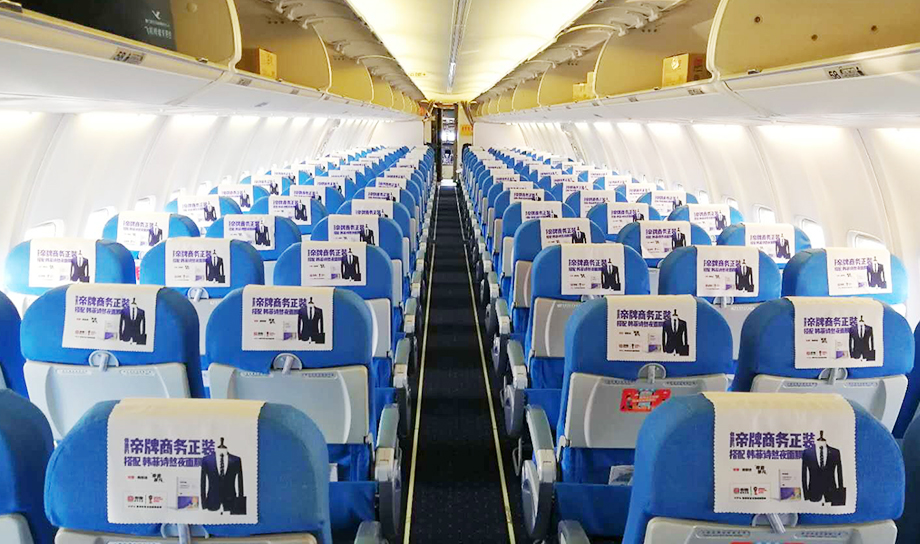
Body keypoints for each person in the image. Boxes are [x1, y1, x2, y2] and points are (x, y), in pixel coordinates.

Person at [200, 437, 245, 514]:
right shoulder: (207, 460)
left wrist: (240, 502)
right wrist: (204, 503)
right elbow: (203, 482)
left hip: (231, 501)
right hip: (212, 501)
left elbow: (240, 482)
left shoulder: (236, 460)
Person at [801, 431, 845, 505]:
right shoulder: (807, 453)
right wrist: (806, 494)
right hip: (813, 491)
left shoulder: (835, 452)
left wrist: (840, 492)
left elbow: (839, 473)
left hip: (831, 491)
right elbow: (804, 474)